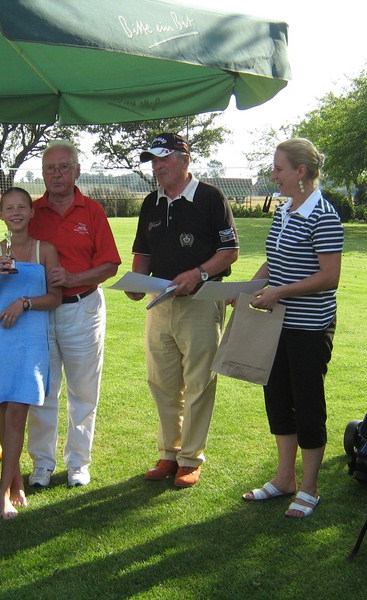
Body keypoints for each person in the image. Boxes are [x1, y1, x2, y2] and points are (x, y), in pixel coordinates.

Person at [0, 139, 121, 488]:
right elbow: (9, 253)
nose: (57, 174)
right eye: (50, 168)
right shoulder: (32, 211)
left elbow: (110, 265)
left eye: (63, 167)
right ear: (42, 173)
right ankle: (42, 463)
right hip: (37, 316)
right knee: (41, 390)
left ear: (77, 171)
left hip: (82, 307)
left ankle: (78, 463)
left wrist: (73, 278)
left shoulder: (92, 211)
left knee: (83, 390)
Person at [127, 132, 239, 487]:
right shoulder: (151, 201)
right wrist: (135, 281)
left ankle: (190, 459)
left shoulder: (210, 197)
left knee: (199, 382)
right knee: (161, 382)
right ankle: (168, 454)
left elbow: (229, 251)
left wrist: (199, 273)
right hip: (160, 303)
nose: (157, 167)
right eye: (153, 161)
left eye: (163, 159)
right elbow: (143, 252)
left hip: (202, 302)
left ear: (184, 159)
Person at [241, 138, 343, 517]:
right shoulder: (284, 211)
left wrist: (279, 292)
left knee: (308, 403)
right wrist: (245, 289)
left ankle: (309, 487)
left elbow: (329, 276)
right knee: (278, 399)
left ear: (301, 171)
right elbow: (274, 261)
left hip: (309, 328)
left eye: (279, 168)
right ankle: (285, 479)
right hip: (277, 323)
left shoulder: (324, 216)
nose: (273, 175)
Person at [0, 187, 61, 519]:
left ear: (31, 211)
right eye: (9, 208)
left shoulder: (45, 250)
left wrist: (24, 302)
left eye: (22, 207)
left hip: (31, 340)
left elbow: (54, 298)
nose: (16, 213)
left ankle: (2, 491)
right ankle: (15, 483)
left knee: (17, 412)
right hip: (1, 340)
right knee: (5, 411)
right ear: (1, 214)